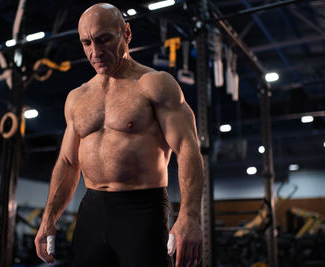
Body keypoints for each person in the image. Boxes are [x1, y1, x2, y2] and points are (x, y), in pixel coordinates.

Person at [34, 3, 204, 267]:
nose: (95, 51)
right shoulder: (77, 98)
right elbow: (68, 163)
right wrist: (48, 220)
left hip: (142, 209)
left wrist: (190, 216)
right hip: (91, 209)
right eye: (86, 43)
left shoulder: (156, 85)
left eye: (103, 40)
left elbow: (188, 150)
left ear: (126, 33)